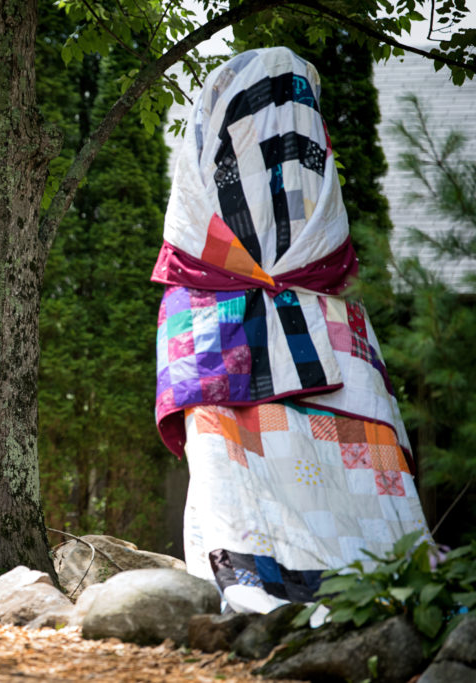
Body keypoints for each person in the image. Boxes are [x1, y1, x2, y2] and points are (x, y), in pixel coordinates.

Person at [152, 47, 431, 613]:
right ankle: (255, 570)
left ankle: (363, 577)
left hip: (294, 303)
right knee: (226, 448)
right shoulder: (206, 283)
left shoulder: (314, 265)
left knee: (331, 440)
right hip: (241, 307)